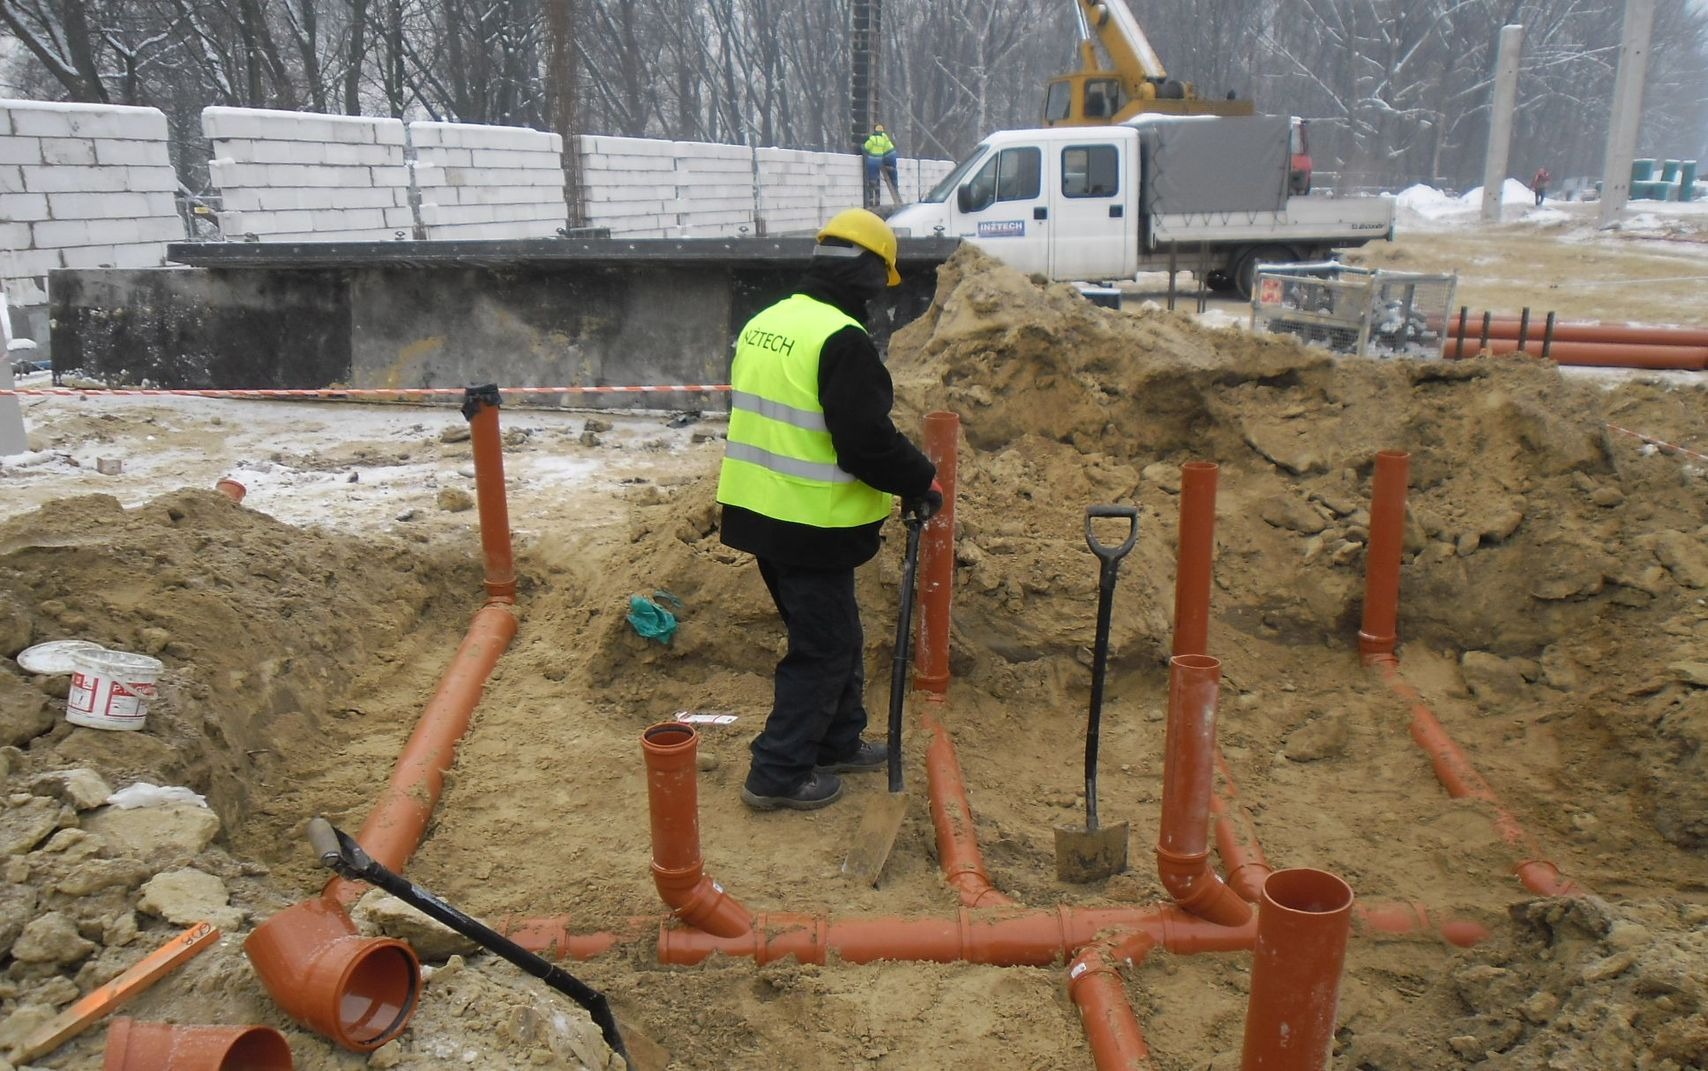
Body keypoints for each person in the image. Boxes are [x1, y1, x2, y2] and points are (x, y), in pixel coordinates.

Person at [717, 208, 942, 811]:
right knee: (823, 649)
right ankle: (778, 773)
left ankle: (838, 739)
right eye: (882, 284)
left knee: (832, 632)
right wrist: (920, 479)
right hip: (809, 522)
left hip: (761, 512)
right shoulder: (841, 341)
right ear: (869, 275)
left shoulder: (768, 322)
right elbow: (864, 442)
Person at [862, 124, 901, 205]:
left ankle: (871, 193)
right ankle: (895, 185)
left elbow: (866, 147)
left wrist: (863, 145)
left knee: (872, 176)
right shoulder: (884, 137)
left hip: (874, 159)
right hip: (890, 155)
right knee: (893, 171)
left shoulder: (873, 139)